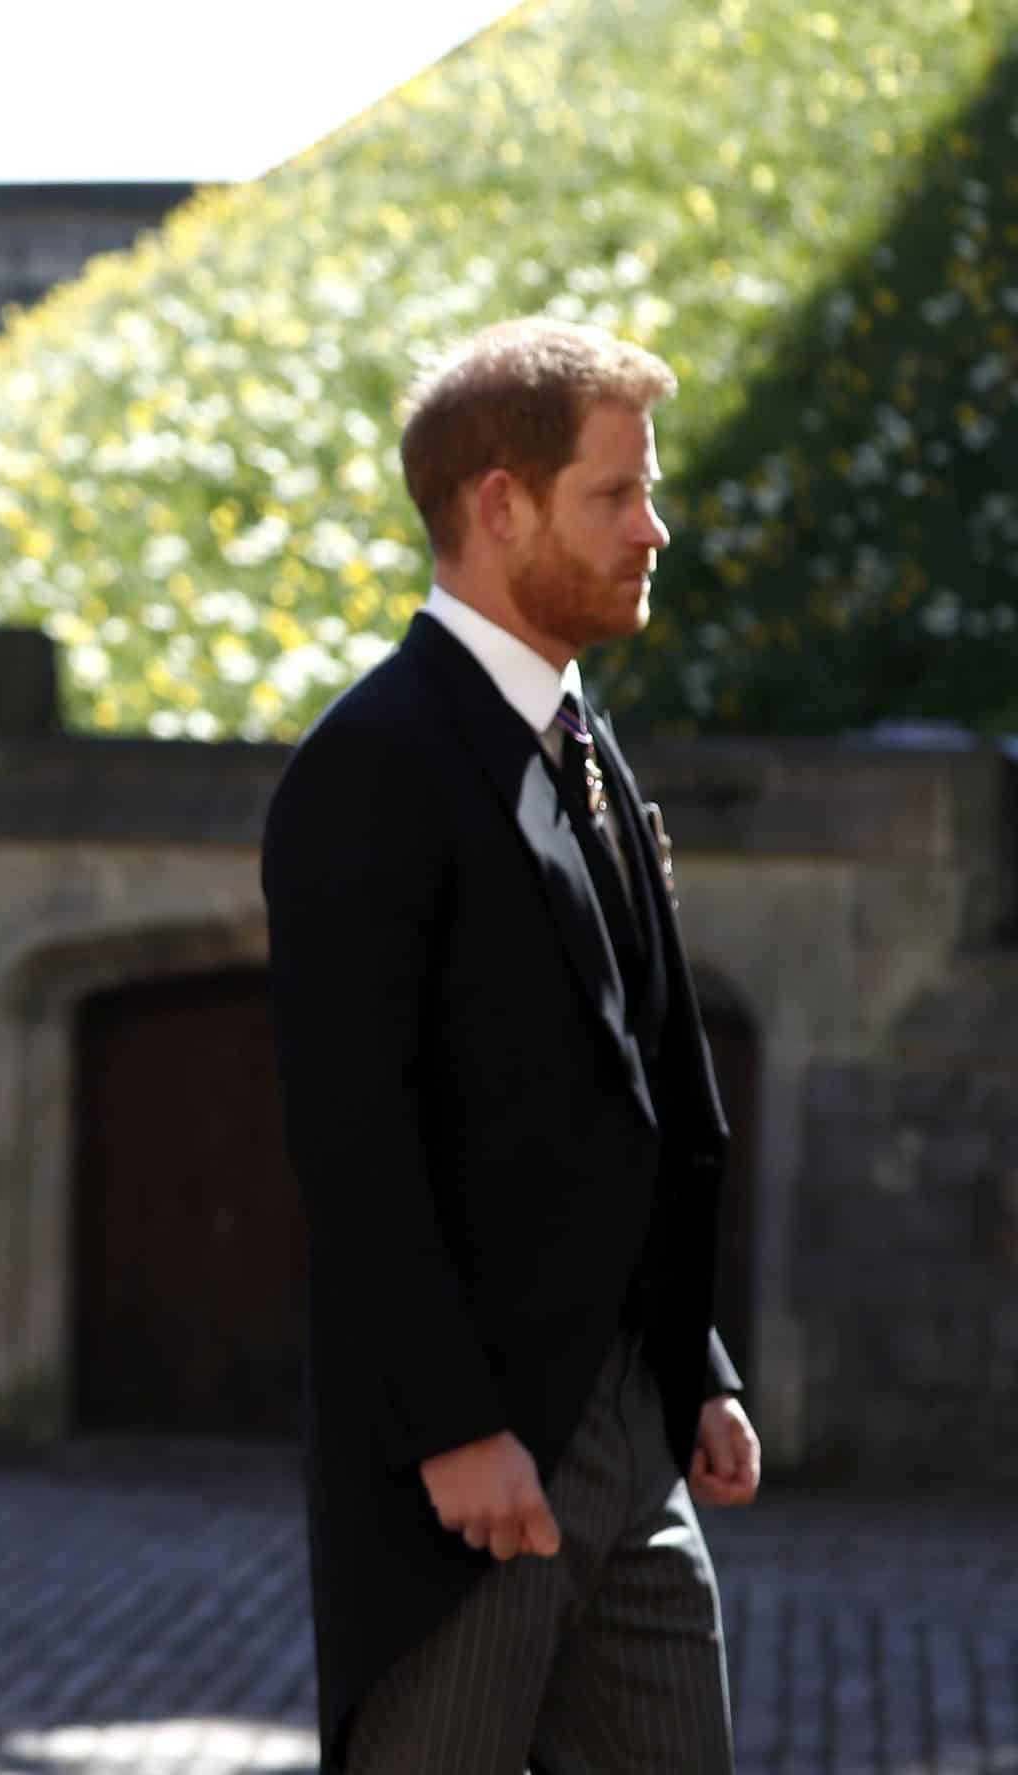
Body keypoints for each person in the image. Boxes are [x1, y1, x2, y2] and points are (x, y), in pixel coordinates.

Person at [261, 316, 764, 1772]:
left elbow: (645, 1077)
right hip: (469, 1470)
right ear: (500, 504)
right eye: (617, 494)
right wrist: (455, 1427)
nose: (654, 527)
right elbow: (351, 1135)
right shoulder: (372, 766)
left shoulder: (587, 744)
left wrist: (698, 1360)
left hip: (633, 1430)